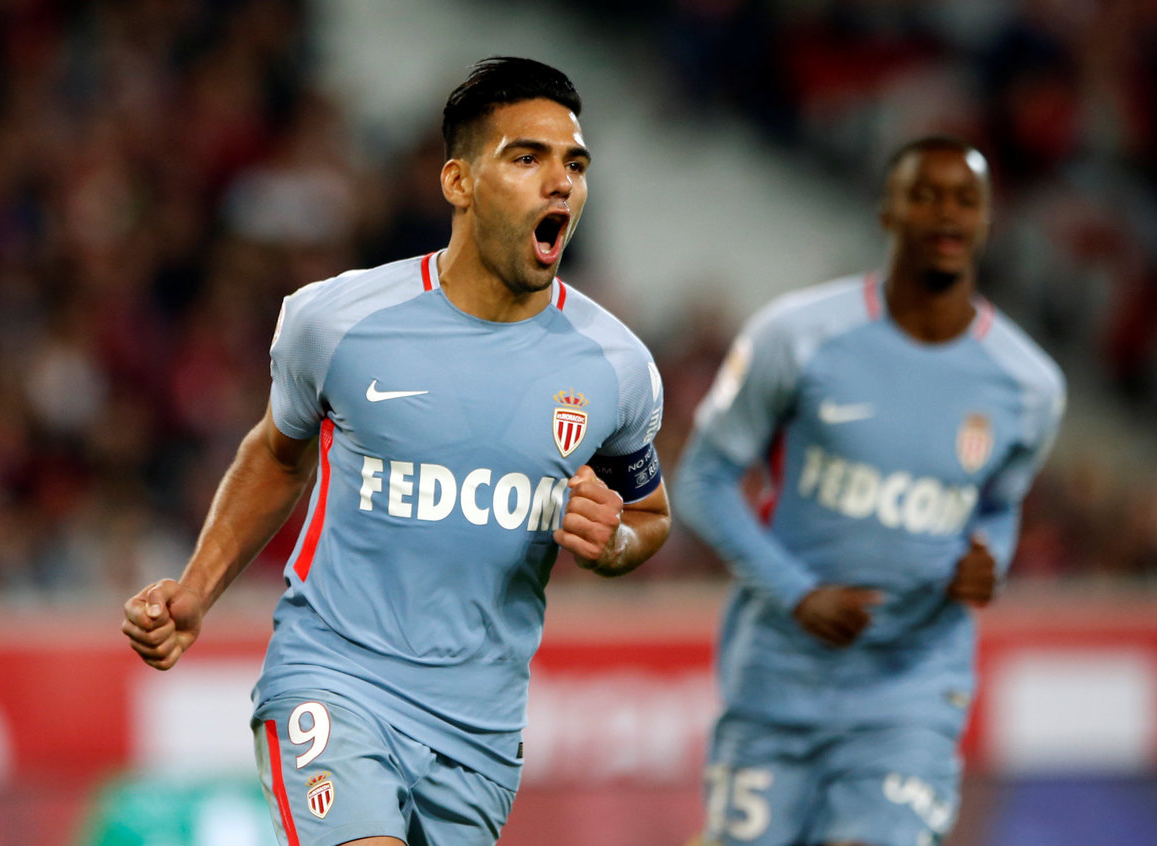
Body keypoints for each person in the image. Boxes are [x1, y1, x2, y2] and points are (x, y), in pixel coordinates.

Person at [121, 57, 671, 846]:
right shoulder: (337, 322)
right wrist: (197, 591)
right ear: (459, 182)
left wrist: (612, 540)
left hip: (479, 736)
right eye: (527, 158)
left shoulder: (615, 367)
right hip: (334, 680)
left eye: (575, 165)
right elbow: (278, 454)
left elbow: (648, 514)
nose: (561, 183)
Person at [675, 136, 1065, 846]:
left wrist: (993, 557)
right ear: (887, 211)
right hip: (779, 677)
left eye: (965, 200)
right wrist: (797, 594)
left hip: (911, 687)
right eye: (925, 195)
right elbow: (703, 479)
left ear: (987, 220)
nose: (945, 214)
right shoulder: (797, 336)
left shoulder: (1028, 384)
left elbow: (1000, 505)